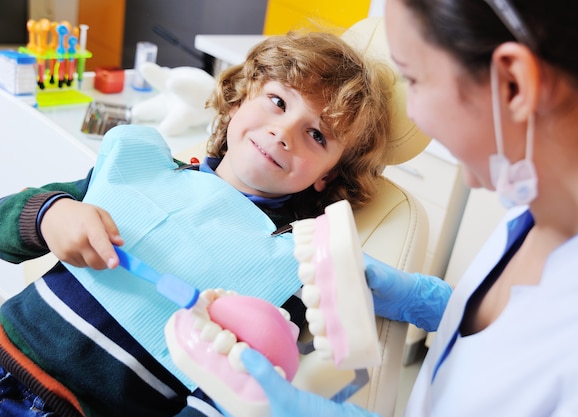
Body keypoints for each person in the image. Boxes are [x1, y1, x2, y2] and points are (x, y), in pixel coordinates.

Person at [240, 0, 578, 416]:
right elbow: (518, 329)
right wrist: (428, 301)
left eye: (413, 78)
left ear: (512, 84)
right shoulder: (541, 202)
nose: (413, 119)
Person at [0, 30, 395, 416]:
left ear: (327, 176)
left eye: (316, 135)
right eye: (277, 101)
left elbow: (236, 389)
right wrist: (51, 214)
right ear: (240, 99)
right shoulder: (138, 166)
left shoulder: (293, 262)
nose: (283, 132)